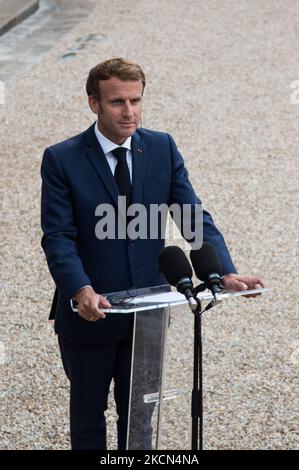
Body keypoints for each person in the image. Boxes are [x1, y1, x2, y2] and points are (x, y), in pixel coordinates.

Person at [41, 58, 265, 450]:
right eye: (117, 102)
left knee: (142, 417)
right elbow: (58, 236)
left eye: (135, 100)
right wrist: (80, 290)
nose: (129, 112)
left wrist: (224, 272)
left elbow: (192, 215)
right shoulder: (62, 159)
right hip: (90, 313)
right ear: (94, 103)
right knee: (88, 418)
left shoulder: (162, 147)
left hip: (149, 315)